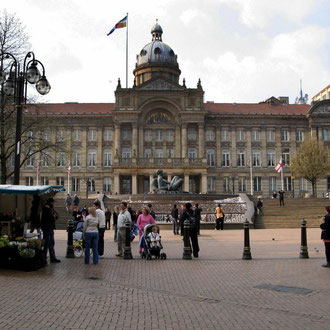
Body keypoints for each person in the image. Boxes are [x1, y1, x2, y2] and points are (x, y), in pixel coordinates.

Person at [40, 198, 60, 264]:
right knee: (46, 244)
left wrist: (55, 216)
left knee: (51, 243)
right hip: (47, 228)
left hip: (50, 228)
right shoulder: (46, 209)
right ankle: (43, 258)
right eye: (53, 202)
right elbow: (51, 217)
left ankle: (53, 258)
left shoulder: (51, 208)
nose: (54, 203)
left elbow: (55, 215)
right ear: (50, 202)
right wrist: (54, 216)